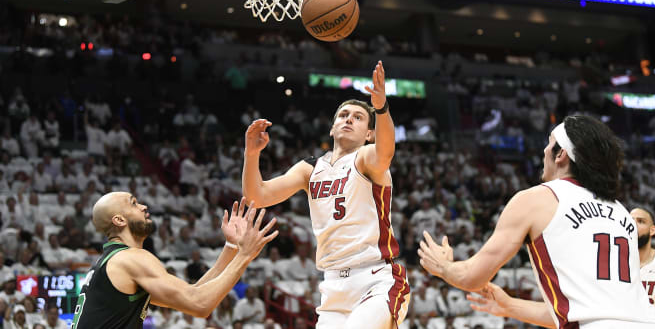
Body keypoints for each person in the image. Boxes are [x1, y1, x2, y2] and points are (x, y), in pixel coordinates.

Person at [418, 115, 655, 328]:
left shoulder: (536, 199)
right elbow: (586, 311)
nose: (544, 151)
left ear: (561, 155)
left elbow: (472, 277)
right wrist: (510, 306)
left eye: (549, 144)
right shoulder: (621, 213)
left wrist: (443, 267)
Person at [242, 61, 410, 329]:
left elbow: (386, 151)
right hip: (333, 286)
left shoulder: (366, 158)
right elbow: (257, 197)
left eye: (357, 117)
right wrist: (251, 155)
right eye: (343, 115)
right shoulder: (310, 169)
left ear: (369, 134)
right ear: (332, 128)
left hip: (375, 278)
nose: (348, 120)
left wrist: (381, 107)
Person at [70, 194, 277, 329]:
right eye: (133, 203)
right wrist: (245, 255)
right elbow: (200, 304)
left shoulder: (112, 261)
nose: (143, 206)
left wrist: (232, 248)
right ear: (119, 220)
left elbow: (194, 293)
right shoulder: (130, 258)